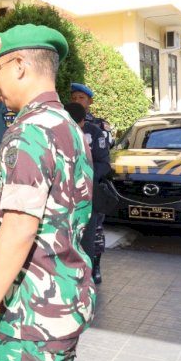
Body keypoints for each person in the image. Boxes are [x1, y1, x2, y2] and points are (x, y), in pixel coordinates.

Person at [0, 24, 95, 361]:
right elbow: (53, 207)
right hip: (61, 303)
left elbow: (20, 228)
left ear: (19, 66)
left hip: (31, 315)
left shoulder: (30, 131)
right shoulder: (65, 125)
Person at [66, 102, 111, 284]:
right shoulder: (58, 133)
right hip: (64, 196)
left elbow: (104, 163)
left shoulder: (95, 132)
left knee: (89, 237)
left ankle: (89, 273)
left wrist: (84, 177)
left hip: (87, 194)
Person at [70, 82, 113, 147]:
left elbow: (104, 149)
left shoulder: (100, 124)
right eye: (73, 98)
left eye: (81, 97)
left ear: (90, 101)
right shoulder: (65, 121)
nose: (76, 101)